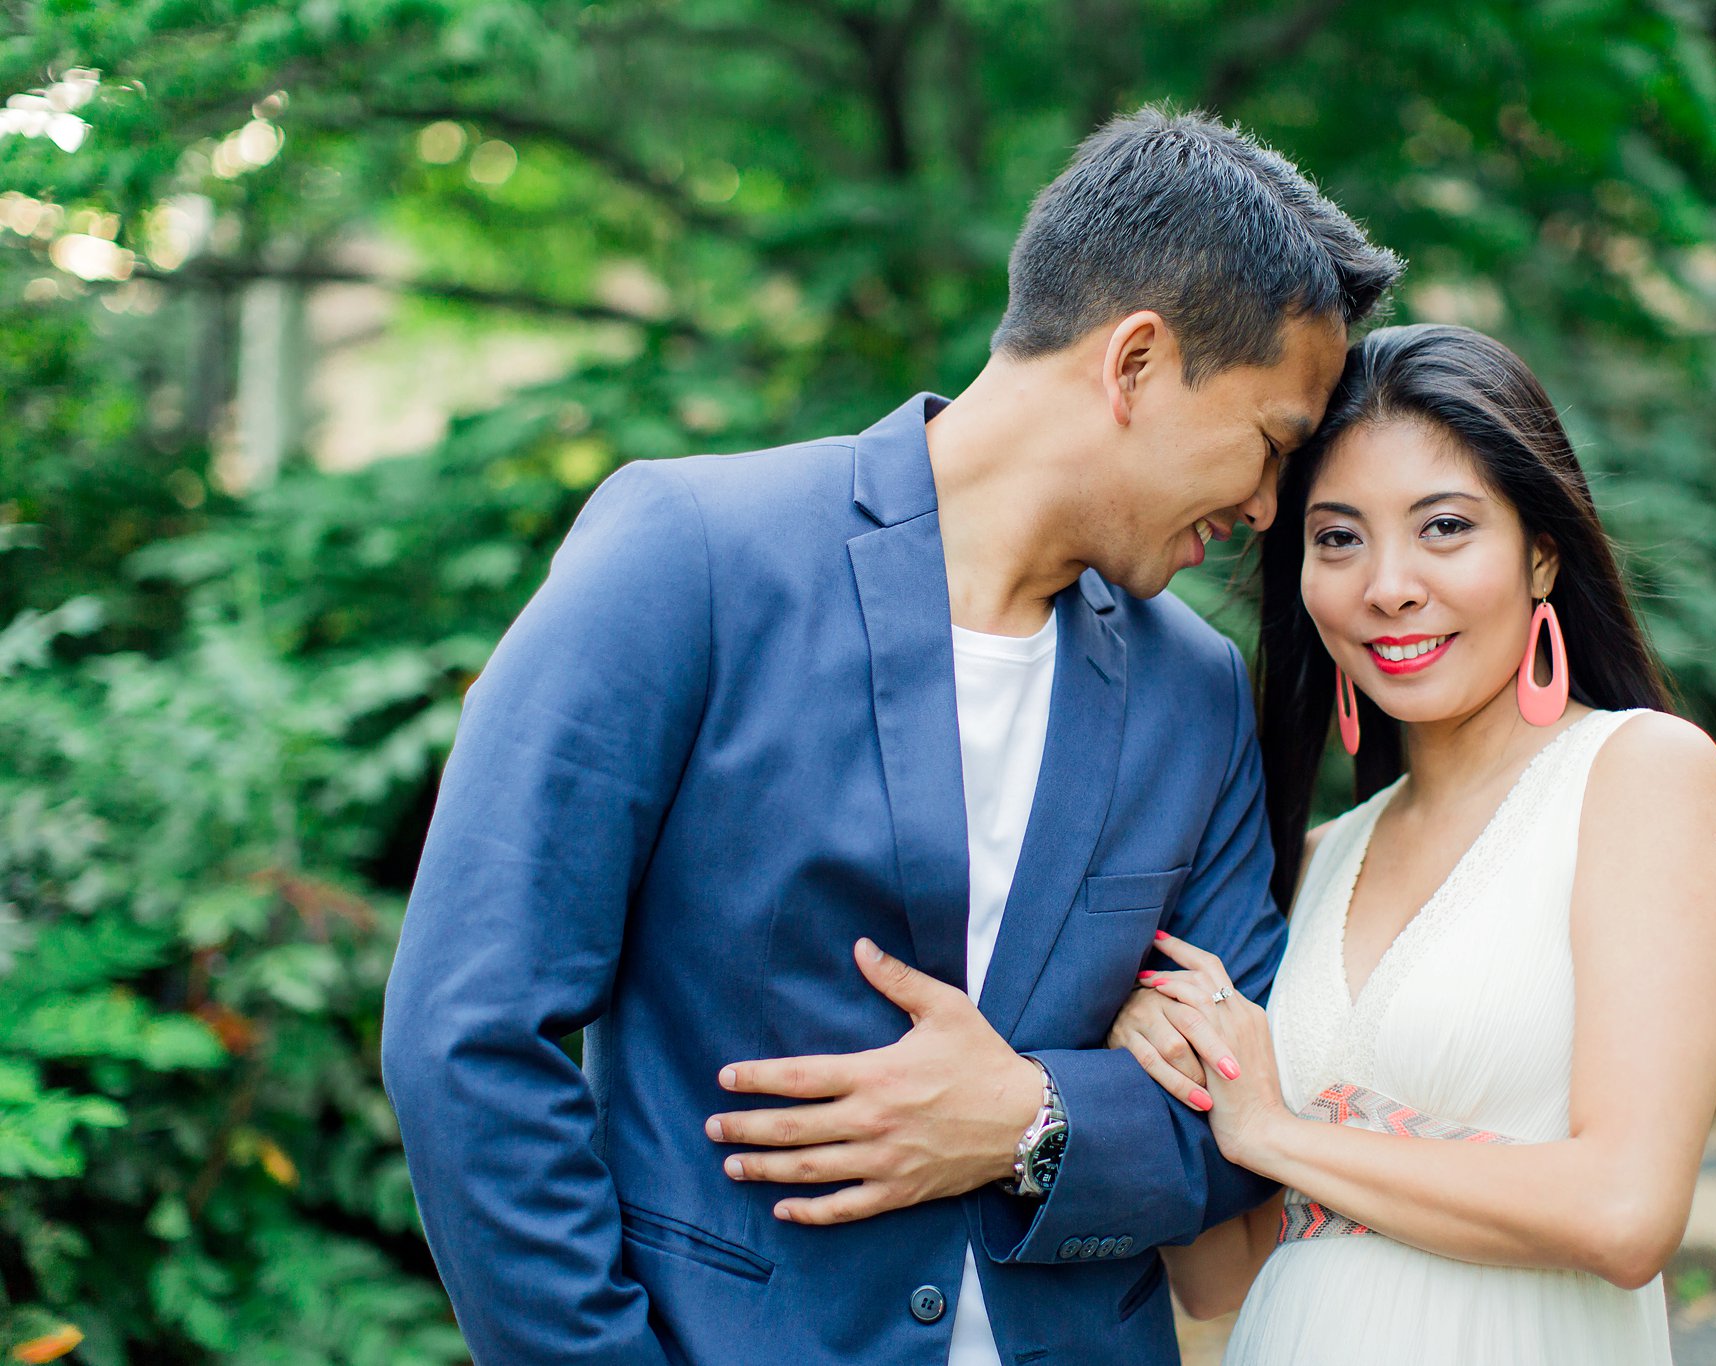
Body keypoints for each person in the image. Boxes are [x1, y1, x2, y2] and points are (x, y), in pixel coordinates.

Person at [379, 108, 1402, 1365]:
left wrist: (1033, 1120)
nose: (1264, 506)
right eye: (1270, 445)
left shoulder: (1195, 689)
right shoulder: (686, 558)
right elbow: (467, 1036)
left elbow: (1247, 1114)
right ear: (1133, 363)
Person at [1109, 323, 1716, 1365]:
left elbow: (1624, 1213)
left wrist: (1276, 1132)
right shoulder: (1315, 859)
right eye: (1337, 537)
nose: (1387, 585)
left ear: (1539, 551)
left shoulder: (1635, 778)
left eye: (1443, 526)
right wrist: (1162, 1045)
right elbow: (1221, 1275)